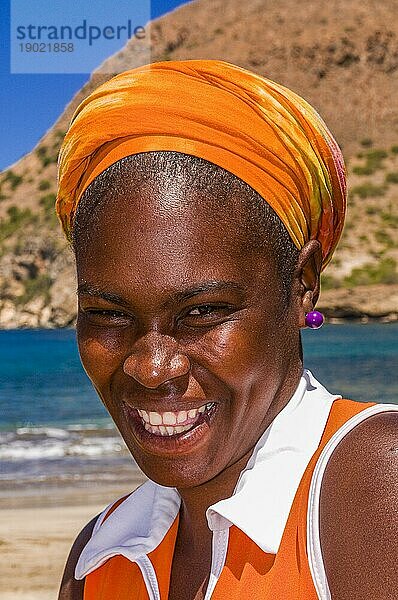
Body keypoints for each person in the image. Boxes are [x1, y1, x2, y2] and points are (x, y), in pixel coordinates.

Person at [56, 60, 397, 600]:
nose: (151, 368)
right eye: (110, 315)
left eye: (202, 312)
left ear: (303, 285)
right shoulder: (99, 558)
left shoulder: (374, 486)